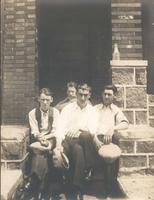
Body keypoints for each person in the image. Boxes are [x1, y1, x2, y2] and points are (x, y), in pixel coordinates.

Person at [56, 83, 97, 200]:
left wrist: (78, 128)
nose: (82, 98)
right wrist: (58, 146)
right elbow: (60, 128)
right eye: (80, 95)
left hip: (80, 140)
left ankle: (76, 189)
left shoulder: (92, 110)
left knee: (79, 150)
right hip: (67, 139)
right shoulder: (67, 109)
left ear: (89, 95)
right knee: (66, 153)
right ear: (77, 94)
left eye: (85, 95)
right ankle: (77, 184)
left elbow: (93, 129)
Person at [94, 84, 129, 199]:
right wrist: (94, 137)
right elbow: (87, 124)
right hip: (94, 139)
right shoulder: (95, 108)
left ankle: (108, 190)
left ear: (113, 96)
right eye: (105, 94)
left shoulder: (115, 110)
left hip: (108, 140)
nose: (106, 96)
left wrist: (113, 128)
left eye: (109, 94)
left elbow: (125, 123)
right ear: (101, 95)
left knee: (111, 154)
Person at [27, 88, 60, 200]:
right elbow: (34, 130)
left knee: (44, 150)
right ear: (39, 100)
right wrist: (41, 138)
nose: (45, 102)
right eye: (42, 100)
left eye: (47, 100)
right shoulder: (32, 113)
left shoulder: (55, 112)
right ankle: (42, 186)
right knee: (40, 152)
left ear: (51, 100)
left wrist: (46, 138)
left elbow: (55, 131)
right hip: (38, 139)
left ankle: (35, 180)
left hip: (51, 138)